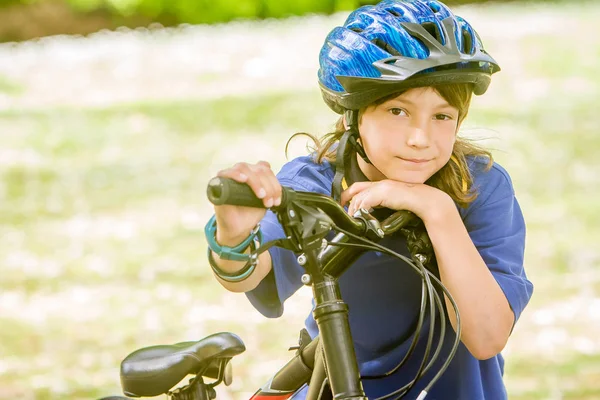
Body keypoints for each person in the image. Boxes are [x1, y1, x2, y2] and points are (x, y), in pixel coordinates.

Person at [204, 0, 534, 398]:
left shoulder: (480, 187)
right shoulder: (317, 181)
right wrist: (234, 234)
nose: (420, 138)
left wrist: (437, 209)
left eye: (442, 117)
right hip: (340, 384)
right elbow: (247, 273)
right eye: (397, 111)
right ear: (351, 117)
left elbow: (486, 336)